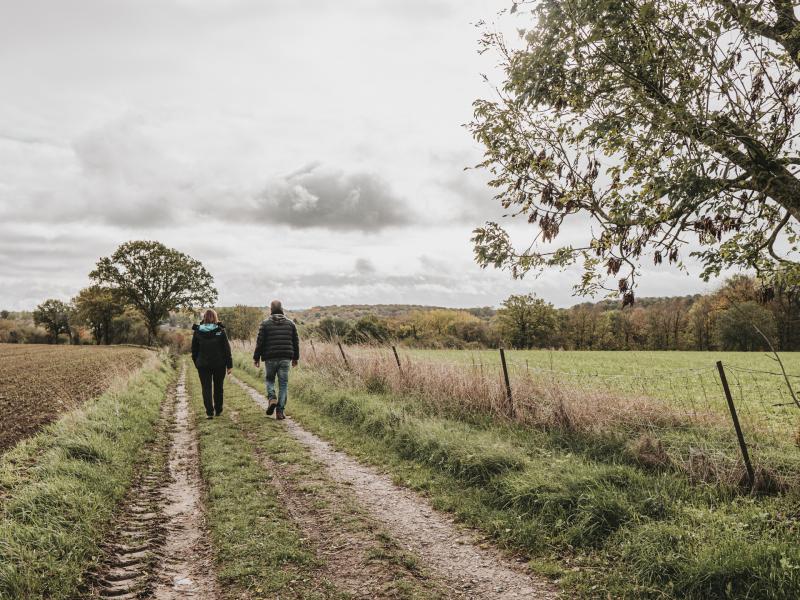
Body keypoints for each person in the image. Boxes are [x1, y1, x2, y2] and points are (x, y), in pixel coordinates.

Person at [253, 299, 299, 420]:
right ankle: (280, 412)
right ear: (282, 309)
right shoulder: (291, 324)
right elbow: (296, 342)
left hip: (270, 358)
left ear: (271, 310)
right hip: (285, 358)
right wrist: (295, 358)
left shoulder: (265, 324)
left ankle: (272, 398)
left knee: (270, 380)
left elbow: (260, 342)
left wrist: (256, 358)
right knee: (283, 384)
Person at [191, 309, 233, 419]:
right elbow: (226, 349)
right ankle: (218, 410)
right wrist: (229, 365)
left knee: (206, 388)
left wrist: (197, 363)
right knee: (219, 387)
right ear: (215, 317)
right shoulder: (220, 330)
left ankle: (209, 412)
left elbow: (194, 350)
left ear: (204, 318)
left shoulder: (198, 331)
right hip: (219, 364)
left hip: (203, 365)